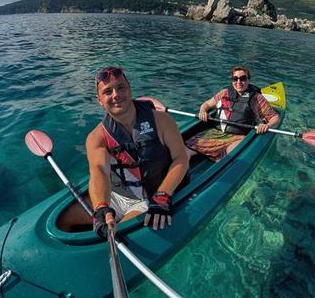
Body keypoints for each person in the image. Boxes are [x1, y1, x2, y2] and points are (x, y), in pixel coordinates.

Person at [87, 66, 189, 238]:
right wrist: (101, 206)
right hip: (121, 194)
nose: (116, 95)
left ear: (129, 89)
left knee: (121, 230)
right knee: (68, 219)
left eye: (121, 87)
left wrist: (162, 196)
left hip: (154, 195)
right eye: (108, 91)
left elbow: (181, 159)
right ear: (99, 100)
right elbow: (98, 171)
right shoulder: (96, 137)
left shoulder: (161, 120)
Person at [185, 66, 280, 161]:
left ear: (248, 80)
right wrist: (203, 111)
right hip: (217, 133)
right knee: (187, 150)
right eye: (235, 79)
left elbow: (275, 117)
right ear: (232, 80)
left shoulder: (257, 98)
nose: (239, 82)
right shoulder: (224, 93)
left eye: (243, 78)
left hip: (238, 137)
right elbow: (207, 104)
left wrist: (267, 125)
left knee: (230, 156)